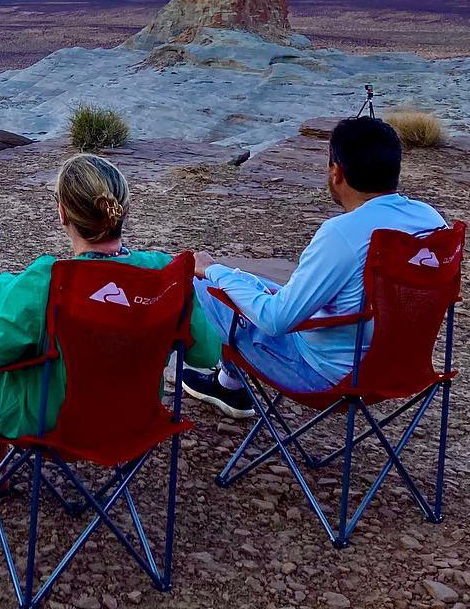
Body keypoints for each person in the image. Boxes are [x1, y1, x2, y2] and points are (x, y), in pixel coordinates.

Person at [0, 153, 220, 448]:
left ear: (62, 214)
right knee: (6, 286)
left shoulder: (49, 280)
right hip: (134, 419)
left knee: (6, 307)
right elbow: (205, 354)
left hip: (53, 423)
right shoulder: (166, 274)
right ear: (123, 211)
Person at [183, 116, 447, 417]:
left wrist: (213, 270)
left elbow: (276, 320)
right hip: (401, 368)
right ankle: (227, 384)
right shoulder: (431, 221)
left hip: (329, 378)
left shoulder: (343, 234)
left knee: (206, 286)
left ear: (337, 172)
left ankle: (223, 384)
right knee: (251, 284)